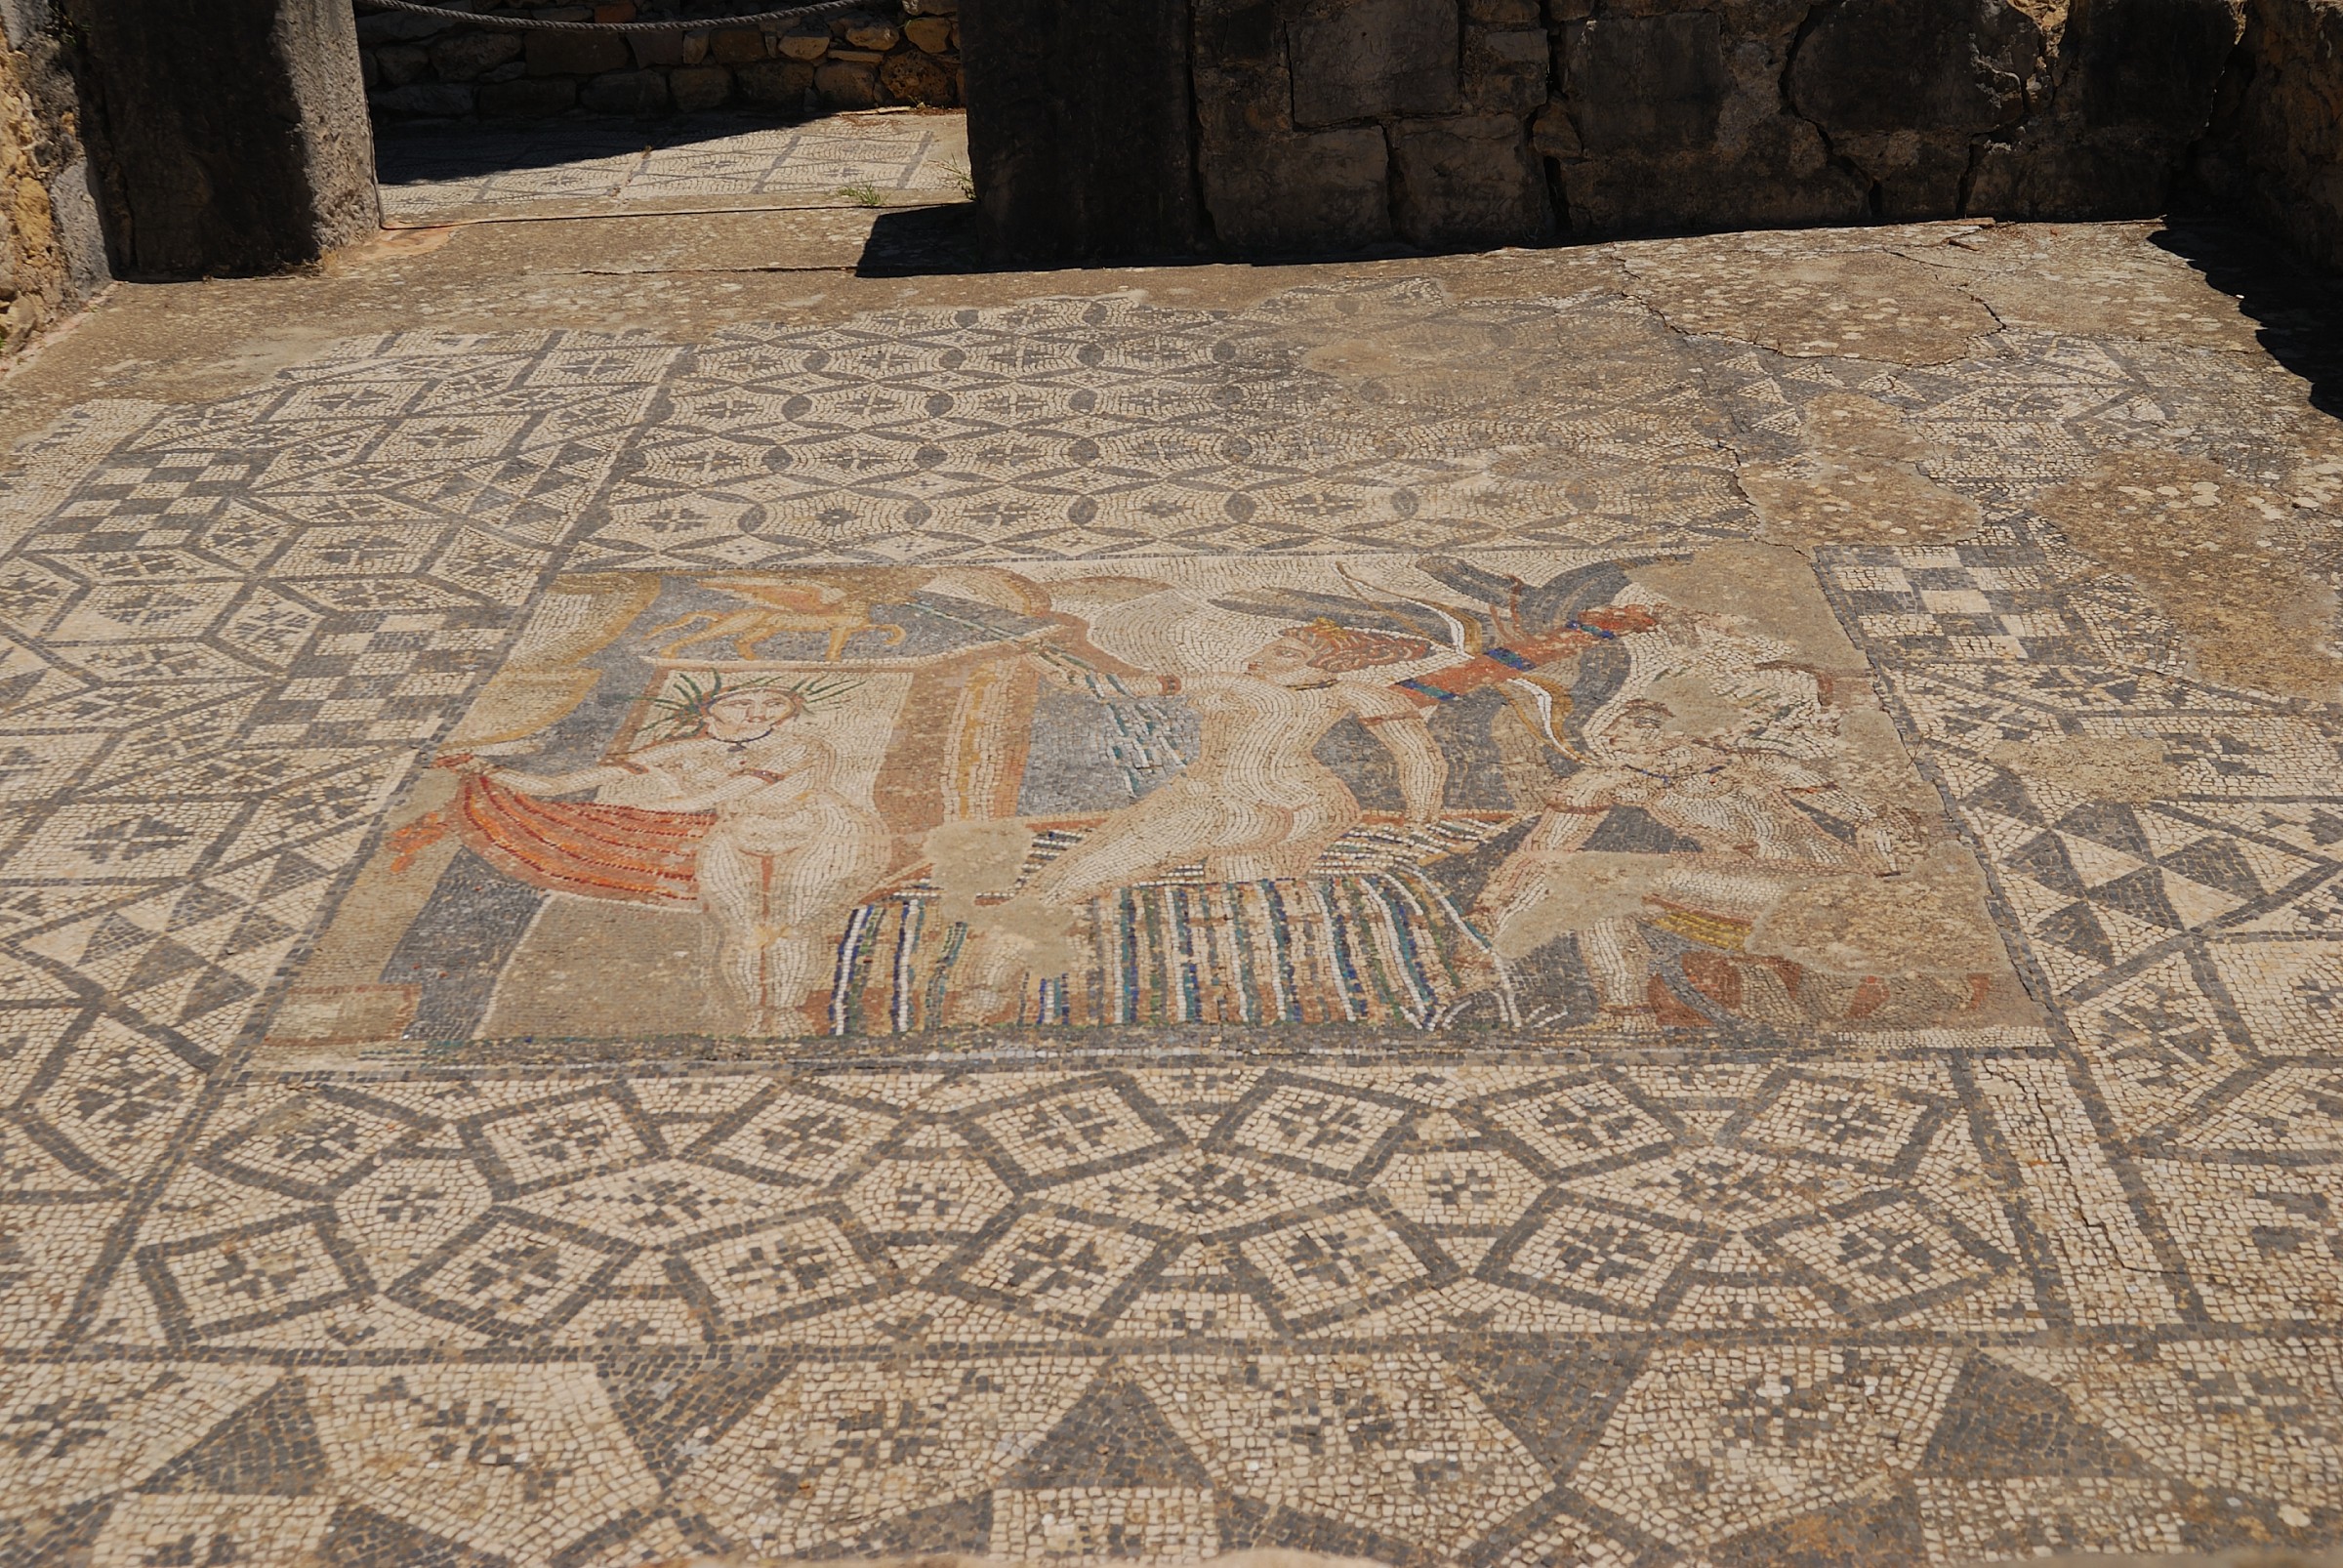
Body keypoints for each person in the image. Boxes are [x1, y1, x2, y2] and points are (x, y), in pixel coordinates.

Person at [442, 678, 892, 1035]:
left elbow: (722, 793)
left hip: (824, 831)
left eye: (772, 703)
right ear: (708, 709)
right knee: (740, 927)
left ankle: (787, 1015)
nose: (758, 712)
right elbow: (560, 785)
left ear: (790, 711)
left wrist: (629, 810)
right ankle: (756, 1018)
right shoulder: (680, 751)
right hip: (737, 832)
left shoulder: (803, 746)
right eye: (741, 702)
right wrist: (487, 770)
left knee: (793, 923)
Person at [1474, 697, 1900, 1024]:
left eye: (1618, 732)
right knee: (1593, 886)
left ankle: (1627, 1019)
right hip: (1808, 886)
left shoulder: (1634, 779)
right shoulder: (1759, 763)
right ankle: (1624, 1012)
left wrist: (1491, 906)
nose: (1611, 743)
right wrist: (1888, 881)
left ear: (1653, 733)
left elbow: (1543, 851)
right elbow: (1874, 818)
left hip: (1805, 889)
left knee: (1592, 881)